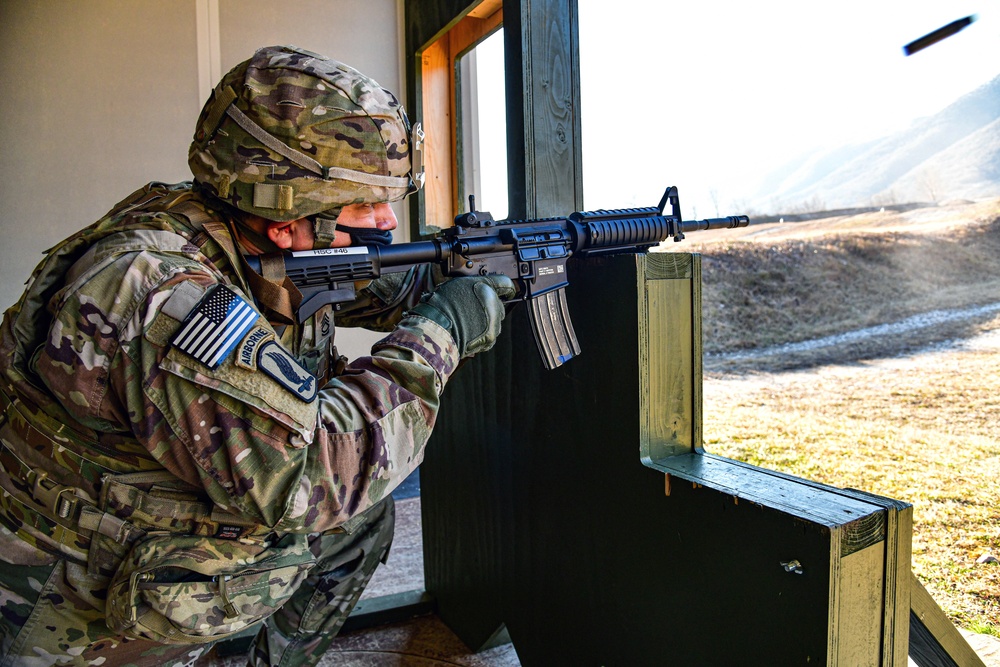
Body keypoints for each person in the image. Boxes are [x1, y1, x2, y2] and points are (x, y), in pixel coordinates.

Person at [0, 45, 514, 666]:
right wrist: (442, 333)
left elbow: (370, 284)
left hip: (152, 513)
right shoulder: (162, 292)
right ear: (287, 221)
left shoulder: (232, 226)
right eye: (364, 206)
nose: (385, 220)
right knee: (345, 505)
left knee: (361, 527)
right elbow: (320, 475)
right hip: (70, 592)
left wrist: (458, 267)